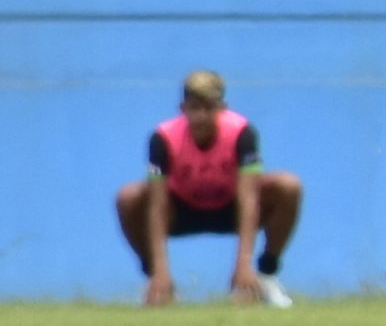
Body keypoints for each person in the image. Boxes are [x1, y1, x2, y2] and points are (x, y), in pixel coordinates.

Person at [117, 69, 301, 308]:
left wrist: (243, 265)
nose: (202, 116)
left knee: (288, 186)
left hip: (230, 207)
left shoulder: (242, 134)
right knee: (128, 198)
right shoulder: (163, 138)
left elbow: (248, 199)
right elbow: (157, 204)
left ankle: (266, 276)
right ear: (183, 109)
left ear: (223, 108)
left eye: (209, 108)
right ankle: (156, 285)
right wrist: (160, 271)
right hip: (181, 210)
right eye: (194, 108)